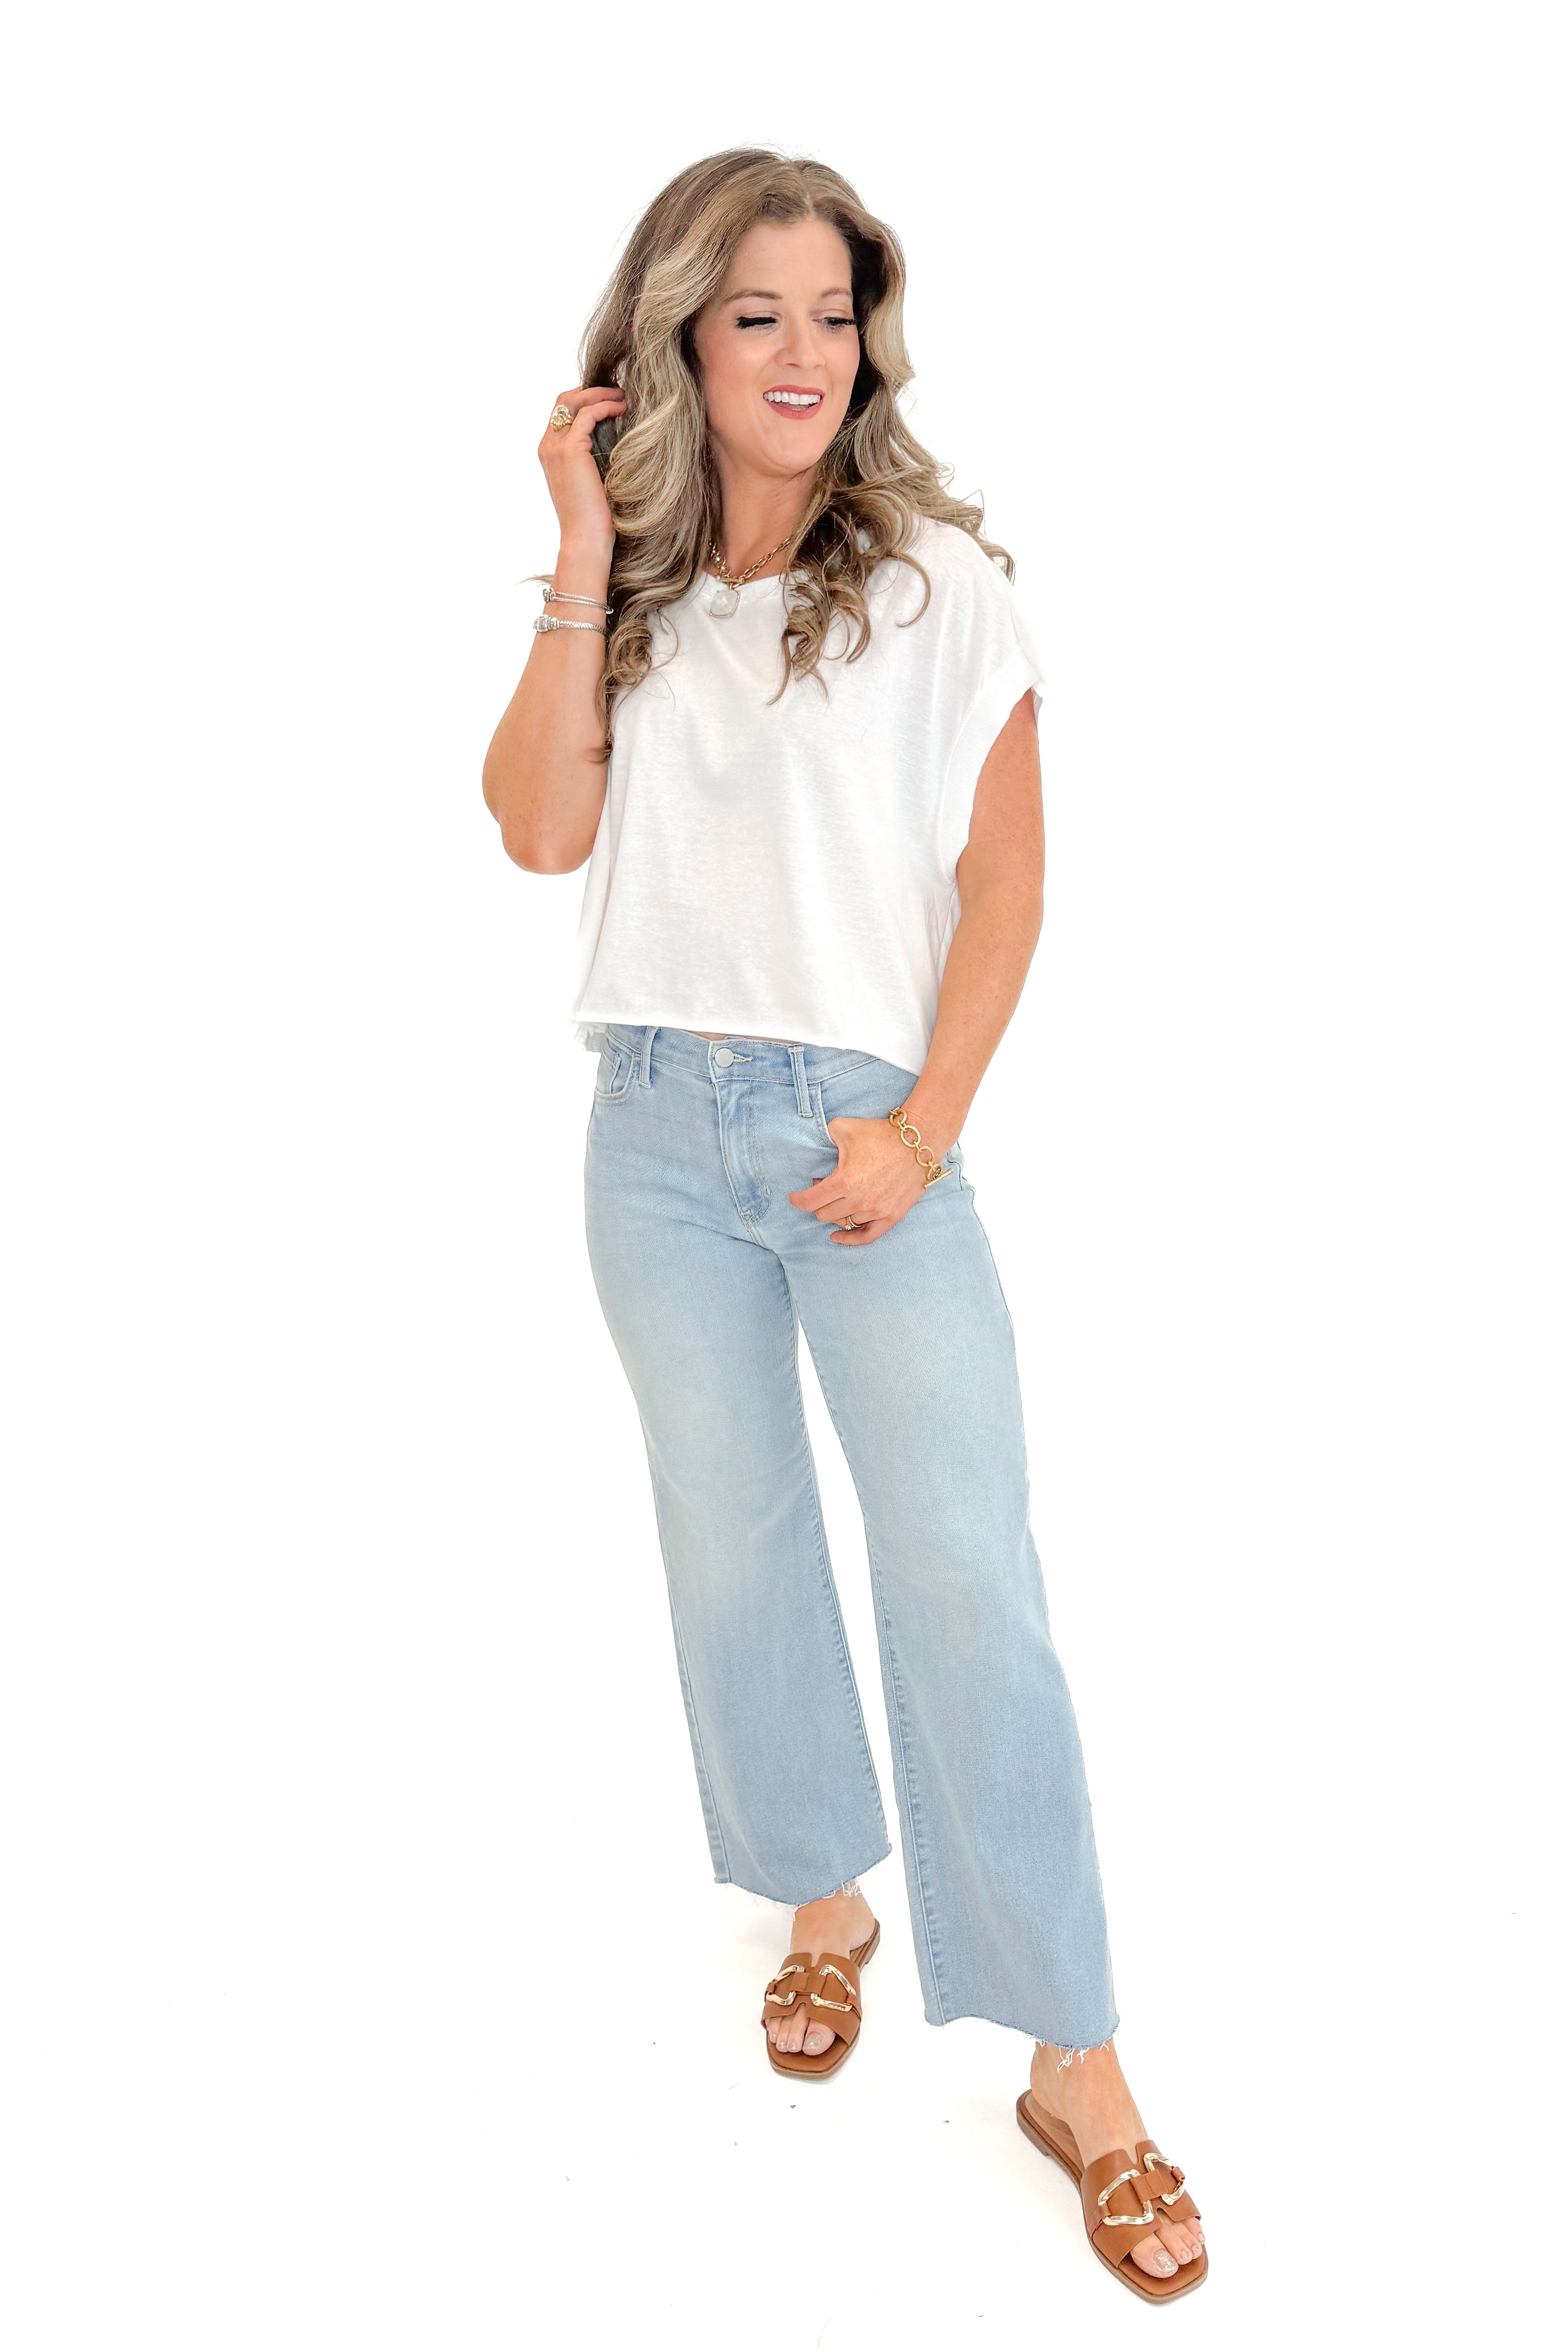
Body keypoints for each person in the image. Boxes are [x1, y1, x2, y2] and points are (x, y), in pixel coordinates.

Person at [482, 150, 1207, 2302]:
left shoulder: (937, 584)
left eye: (830, 313)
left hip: (865, 1136)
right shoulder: (631, 584)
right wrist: (574, 552)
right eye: (755, 316)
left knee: (969, 1575)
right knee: (733, 1546)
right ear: (679, 342)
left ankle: (1075, 2059)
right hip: (650, 1128)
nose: (801, 353)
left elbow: (1008, 883)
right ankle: (820, 1897)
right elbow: (537, 835)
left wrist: (919, 1130)